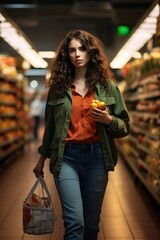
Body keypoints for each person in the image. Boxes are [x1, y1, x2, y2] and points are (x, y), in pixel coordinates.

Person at [33, 29, 130, 240]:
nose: (77, 54)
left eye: (82, 49)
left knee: (92, 224)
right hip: (67, 158)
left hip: (97, 157)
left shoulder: (109, 87)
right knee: (74, 222)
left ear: (91, 52)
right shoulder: (58, 89)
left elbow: (125, 126)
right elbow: (51, 128)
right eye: (71, 50)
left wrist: (109, 120)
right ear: (66, 55)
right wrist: (42, 158)